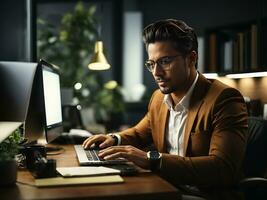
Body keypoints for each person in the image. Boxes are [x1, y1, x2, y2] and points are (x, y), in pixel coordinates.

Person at [83, 19, 248, 200]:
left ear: (191, 59)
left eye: (165, 61)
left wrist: (154, 159)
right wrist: (114, 139)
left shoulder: (224, 99)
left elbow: (223, 168)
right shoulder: (158, 98)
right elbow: (140, 133)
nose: (156, 72)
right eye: (151, 64)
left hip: (205, 195)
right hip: (167, 187)